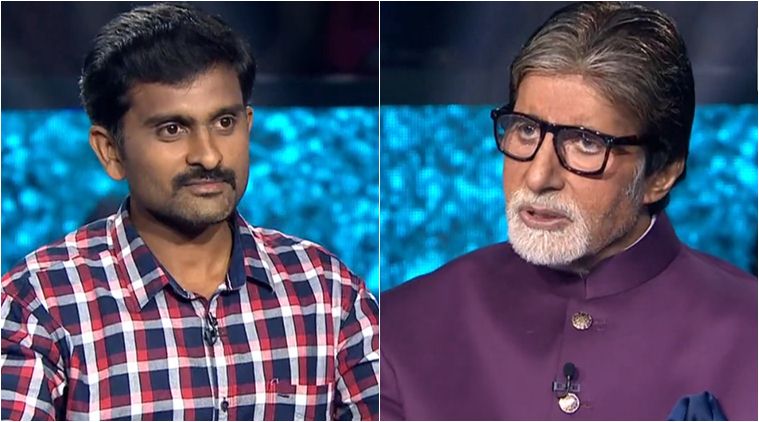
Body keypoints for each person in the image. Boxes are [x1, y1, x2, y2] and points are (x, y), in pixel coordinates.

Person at [1, 3, 379, 420]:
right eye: (172, 129)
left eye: (224, 123)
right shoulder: (41, 303)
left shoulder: (327, 293)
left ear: (248, 124)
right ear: (111, 152)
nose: (209, 155)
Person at [380, 2, 756, 420]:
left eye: (586, 142)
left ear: (661, 173)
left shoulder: (748, 332)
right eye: (526, 130)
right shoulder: (399, 328)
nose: (538, 176)